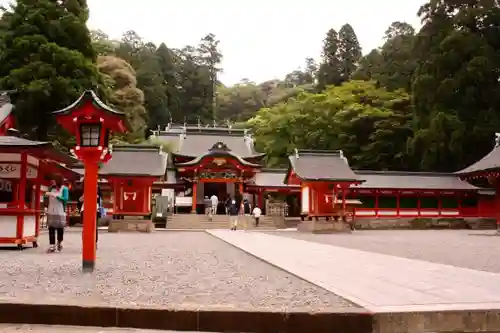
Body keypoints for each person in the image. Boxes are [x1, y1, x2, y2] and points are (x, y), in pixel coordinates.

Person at [46, 177, 69, 253]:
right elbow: (46, 197)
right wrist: (46, 195)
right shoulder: (50, 188)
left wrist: (57, 196)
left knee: (60, 228)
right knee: (51, 228)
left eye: (54, 181)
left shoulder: (64, 189)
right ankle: (52, 245)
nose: (52, 182)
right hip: (51, 210)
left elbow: (65, 198)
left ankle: (59, 242)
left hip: (60, 210)